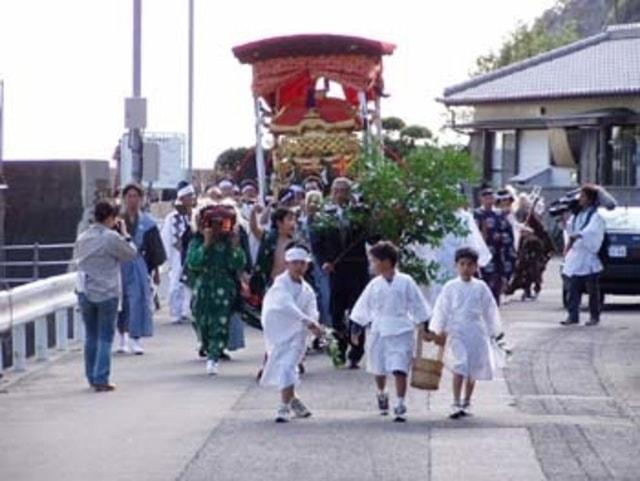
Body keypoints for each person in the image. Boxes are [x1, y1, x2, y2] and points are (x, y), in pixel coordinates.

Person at [350, 241, 432, 422]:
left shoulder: (406, 281)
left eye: (374, 261)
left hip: (401, 328)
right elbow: (363, 306)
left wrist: (425, 325)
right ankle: (381, 391)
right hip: (379, 328)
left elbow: (418, 304)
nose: (372, 265)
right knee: (379, 368)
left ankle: (401, 402)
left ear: (386, 262)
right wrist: (356, 328)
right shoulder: (374, 285)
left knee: (399, 367)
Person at [428, 247, 502, 419]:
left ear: (476, 267)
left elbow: (490, 309)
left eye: (470, 264)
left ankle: (467, 401)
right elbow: (442, 309)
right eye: (462, 264)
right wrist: (437, 329)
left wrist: (494, 330)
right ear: (456, 266)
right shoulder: (450, 287)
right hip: (457, 330)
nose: (466, 268)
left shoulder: (481, 287)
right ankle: (455, 401)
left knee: (473, 367)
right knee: (459, 364)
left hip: (476, 331)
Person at [75, 201, 137, 391]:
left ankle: (91, 376)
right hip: (107, 292)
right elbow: (131, 253)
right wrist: (124, 233)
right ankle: (101, 378)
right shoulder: (111, 237)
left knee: (91, 336)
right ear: (110, 217)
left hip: (85, 291)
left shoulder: (83, 237)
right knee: (105, 337)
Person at [260, 244, 324, 423]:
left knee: (288, 366)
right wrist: (308, 321)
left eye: (302, 263)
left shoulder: (307, 289)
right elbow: (286, 306)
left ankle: (284, 405)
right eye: (294, 263)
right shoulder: (280, 285)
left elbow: (313, 310)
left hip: (298, 335)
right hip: (279, 331)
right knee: (284, 366)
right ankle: (292, 400)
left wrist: (314, 323)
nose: (298, 267)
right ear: (287, 264)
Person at [315, 177, 371, 368]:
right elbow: (317, 242)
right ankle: (338, 350)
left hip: (357, 268)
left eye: (343, 190)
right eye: (336, 190)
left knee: (358, 311)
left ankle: (356, 352)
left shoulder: (360, 213)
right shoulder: (325, 215)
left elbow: (373, 236)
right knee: (336, 312)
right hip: (336, 270)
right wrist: (324, 262)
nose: (340, 194)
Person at [186, 203, 246, 375]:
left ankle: (214, 356)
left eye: (223, 223)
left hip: (224, 287)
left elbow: (238, 263)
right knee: (201, 321)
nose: (218, 228)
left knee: (220, 323)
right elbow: (193, 263)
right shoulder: (197, 241)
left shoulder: (229, 243)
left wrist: (235, 246)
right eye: (214, 223)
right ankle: (207, 346)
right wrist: (206, 243)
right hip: (203, 286)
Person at [117, 183, 166, 355]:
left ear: (141, 199)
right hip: (120, 265)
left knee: (138, 300)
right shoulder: (117, 221)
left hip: (139, 263)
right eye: (129, 196)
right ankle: (121, 337)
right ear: (124, 199)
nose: (132, 200)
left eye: (136, 196)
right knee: (121, 301)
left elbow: (155, 249)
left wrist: (156, 271)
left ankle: (135, 338)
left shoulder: (148, 222)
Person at [560, 184, 605, 326]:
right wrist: (564, 222)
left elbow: (593, 232)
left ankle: (594, 316)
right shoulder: (577, 215)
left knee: (592, 289)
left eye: (583, 196)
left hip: (588, 255)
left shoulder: (595, 216)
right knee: (573, 287)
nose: (580, 199)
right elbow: (570, 229)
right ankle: (573, 315)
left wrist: (580, 235)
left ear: (590, 199)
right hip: (576, 255)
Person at [473, 188, 516, 305]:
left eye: (491, 198)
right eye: (486, 198)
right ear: (481, 199)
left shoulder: (499, 214)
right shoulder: (476, 215)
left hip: (497, 253)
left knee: (496, 280)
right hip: (481, 252)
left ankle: (495, 303)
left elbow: (508, 232)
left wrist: (501, 237)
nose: (489, 200)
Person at [161, 182, 196, 324]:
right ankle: (175, 312)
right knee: (176, 283)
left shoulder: (195, 215)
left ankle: (186, 310)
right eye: (189, 196)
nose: (192, 198)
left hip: (192, 252)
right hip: (178, 254)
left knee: (190, 284)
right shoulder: (173, 217)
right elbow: (171, 238)